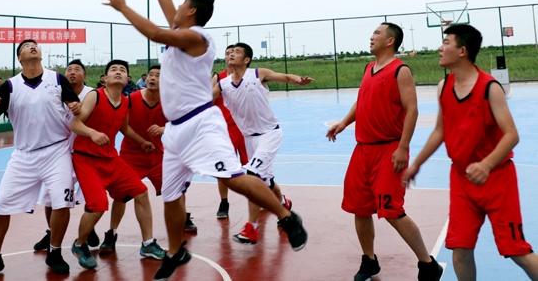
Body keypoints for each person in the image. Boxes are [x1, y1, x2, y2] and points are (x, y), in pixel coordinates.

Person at [101, 0, 307, 281]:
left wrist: (123, 7)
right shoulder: (181, 27)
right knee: (171, 196)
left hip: (201, 123)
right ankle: (175, 251)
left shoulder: (198, 38)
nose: (175, 6)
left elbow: (154, 33)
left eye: (182, 3)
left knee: (233, 178)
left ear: (192, 11)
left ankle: (287, 217)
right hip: (176, 130)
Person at [403, 24, 538, 281]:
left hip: (497, 179)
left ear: (462, 51)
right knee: (461, 249)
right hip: (462, 180)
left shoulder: (490, 88)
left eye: (446, 43)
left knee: (516, 250)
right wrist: (416, 164)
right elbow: (440, 130)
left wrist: (485, 165)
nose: (440, 48)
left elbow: (512, 135)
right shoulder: (444, 86)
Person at [326, 23, 442, 281]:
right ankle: (369, 261)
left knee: (392, 211)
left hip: (389, 149)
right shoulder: (369, 68)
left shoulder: (400, 70)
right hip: (362, 150)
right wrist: (344, 123)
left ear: (390, 41)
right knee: (360, 208)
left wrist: (403, 147)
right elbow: (362, 99)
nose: (372, 36)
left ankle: (428, 264)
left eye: (377, 33)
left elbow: (412, 110)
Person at [0, 40, 81, 279]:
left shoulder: (57, 79)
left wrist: (75, 106)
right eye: (27, 46)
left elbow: (74, 105)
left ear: (40, 53)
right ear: (19, 58)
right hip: (23, 155)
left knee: (62, 203)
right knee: (0, 205)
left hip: (56, 151)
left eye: (35, 45)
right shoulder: (10, 86)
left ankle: (55, 252)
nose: (32, 47)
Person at [213, 42, 314, 245]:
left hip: (269, 134)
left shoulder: (258, 74)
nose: (231, 54)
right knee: (266, 182)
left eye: (237, 52)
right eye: (229, 52)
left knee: (253, 176)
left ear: (247, 59)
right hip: (249, 139)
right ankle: (283, 203)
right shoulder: (223, 84)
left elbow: (285, 77)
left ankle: (252, 228)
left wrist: (298, 80)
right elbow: (203, 101)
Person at [68, 59, 165, 270]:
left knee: (141, 192)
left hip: (111, 159)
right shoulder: (95, 96)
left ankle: (148, 244)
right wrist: (92, 133)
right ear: (105, 78)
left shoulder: (125, 101)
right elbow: (75, 123)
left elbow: (124, 128)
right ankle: (80, 244)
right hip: (87, 159)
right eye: (113, 69)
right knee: (98, 205)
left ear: (128, 78)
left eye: (122, 69)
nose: (118, 72)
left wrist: (142, 142)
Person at [99, 64, 168, 254]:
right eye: (151, 74)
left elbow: (182, 125)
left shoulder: (169, 102)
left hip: (156, 156)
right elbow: (122, 124)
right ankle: (112, 233)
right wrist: (140, 141)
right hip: (131, 155)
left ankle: (183, 217)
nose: (152, 77)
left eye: (158, 75)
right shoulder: (131, 99)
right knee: (121, 197)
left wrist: (164, 129)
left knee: (175, 191)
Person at [34, 58, 100, 252]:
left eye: (77, 69)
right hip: (59, 153)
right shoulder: (55, 94)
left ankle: (88, 228)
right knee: (49, 198)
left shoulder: (92, 95)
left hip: (86, 153)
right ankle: (51, 232)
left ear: (84, 76)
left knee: (90, 196)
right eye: (69, 69)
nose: (72, 72)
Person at [212, 44, 249, 219]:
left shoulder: (249, 77)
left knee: (253, 166)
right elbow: (209, 104)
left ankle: (260, 198)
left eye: (233, 53)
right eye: (227, 53)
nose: (229, 56)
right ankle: (224, 201)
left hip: (246, 129)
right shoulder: (218, 78)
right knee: (224, 168)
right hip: (225, 130)